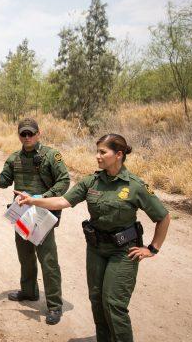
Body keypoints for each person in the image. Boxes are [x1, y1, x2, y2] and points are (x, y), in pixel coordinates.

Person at [15, 133, 171, 342]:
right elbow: (62, 201)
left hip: (123, 252)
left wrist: (152, 248)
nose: (97, 156)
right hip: (96, 249)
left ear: (118, 155)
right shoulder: (91, 181)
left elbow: (163, 217)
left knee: (113, 303)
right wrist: (34, 201)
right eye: (97, 151)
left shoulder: (135, 185)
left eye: (102, 152)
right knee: (97, 300)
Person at [0, 118, 70, 325]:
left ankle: (54, 305)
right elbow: (4, 181)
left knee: (48, 261)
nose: (27, 138)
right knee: (25, 256)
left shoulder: (51, 155)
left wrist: (42, 198)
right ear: (19, 135)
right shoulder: (14, 158)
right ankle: (29, 292)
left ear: (38, 133)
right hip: (22, 213)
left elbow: (64, 180)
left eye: (31, 134)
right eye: (23, 134)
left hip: (42, 212)